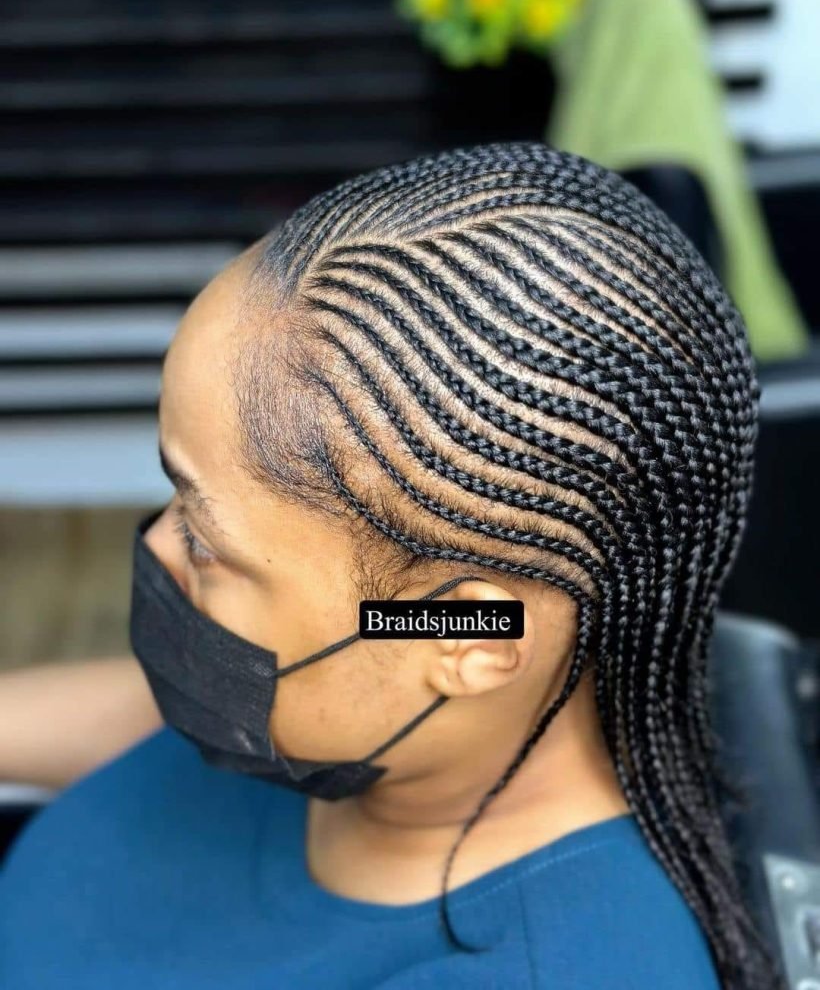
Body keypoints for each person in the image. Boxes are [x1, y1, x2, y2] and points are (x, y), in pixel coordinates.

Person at [0, 142, 782, 989]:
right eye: (175, 490)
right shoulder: (322, 720)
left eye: (206, 544)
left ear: (470, 633)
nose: (158, 544)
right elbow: (150, 737)